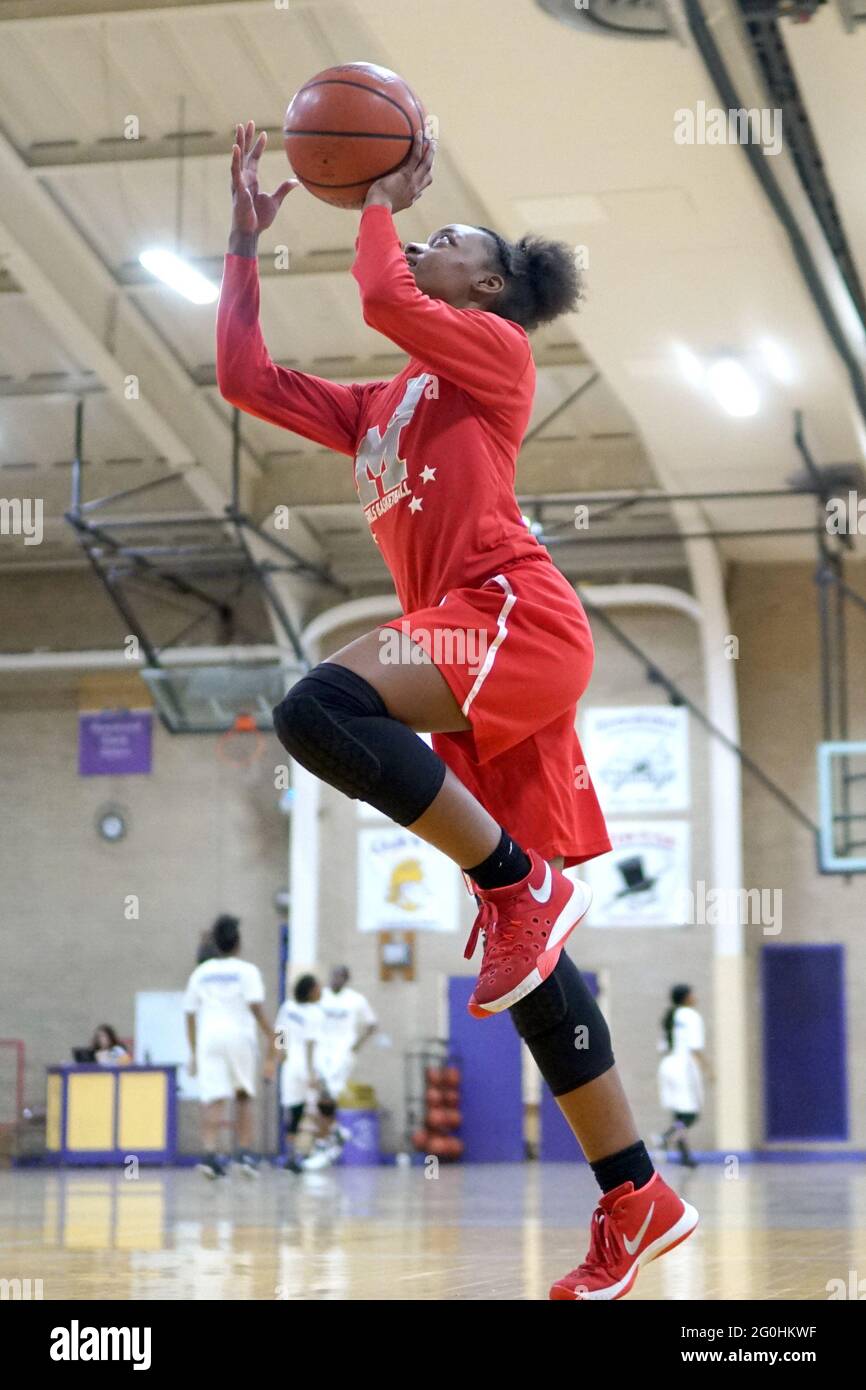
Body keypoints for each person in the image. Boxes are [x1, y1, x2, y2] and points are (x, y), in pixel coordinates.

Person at [216, 121, 698, 1298]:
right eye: (422, 226)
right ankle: (635, 1194)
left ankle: (515, 883)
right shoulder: (383, 404)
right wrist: (240, 245)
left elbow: (382, 288)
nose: (422, 239)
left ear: (486, 286)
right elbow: (244, 380)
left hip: (508, 618)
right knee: (529, 977)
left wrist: (378, 197)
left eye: (448, 236)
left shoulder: (491, 352)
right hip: (463, 658)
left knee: (317, 706)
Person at [183, 914, 275, 1179]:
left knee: (213, 1098)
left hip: (208, 1038)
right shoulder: (247, 971)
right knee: (243, 1095)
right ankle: (244, 1155)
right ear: (238, 942)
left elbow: (188, 1013)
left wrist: (193, 1051)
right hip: (239, 1037)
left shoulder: (200, 973)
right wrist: (272, 1035)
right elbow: (255, 1006)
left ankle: (210, 1155)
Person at [300, 966, 378, 1171]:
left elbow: (372, 1024)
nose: (335, 979)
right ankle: (334, 1133)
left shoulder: (355, 1000)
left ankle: (326, 1141)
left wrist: (356, 1046)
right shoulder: (321, 997)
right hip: (322, 1051)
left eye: (340, 976)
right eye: (333, 975)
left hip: (342, 1054)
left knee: (327, 1095)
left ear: (346, 979)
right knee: (317, 1097)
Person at [272, 973, 324, 1173]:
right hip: (304, 1065)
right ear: (311, 990)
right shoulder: (315, 1013)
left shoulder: (287, 1008)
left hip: (289, 1064)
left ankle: (292, 1155)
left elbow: (279, 1032)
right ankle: (312, 1151)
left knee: (293, 1113)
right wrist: (311, 1073)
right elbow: (311, 1045)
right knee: (308, 1110)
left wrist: (280, 1053)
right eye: (318, 987)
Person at [656, 984, 711, 1169]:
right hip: (684, 1067)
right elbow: (695, 1048)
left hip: (667, 1066)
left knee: (679, 1114)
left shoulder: (669, 1016)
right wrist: (709, 1069)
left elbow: (663, 1047)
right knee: (691, 1115)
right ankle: (665, 1137)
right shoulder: (691, 1016)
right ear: (686, 997)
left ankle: (685, 1155)